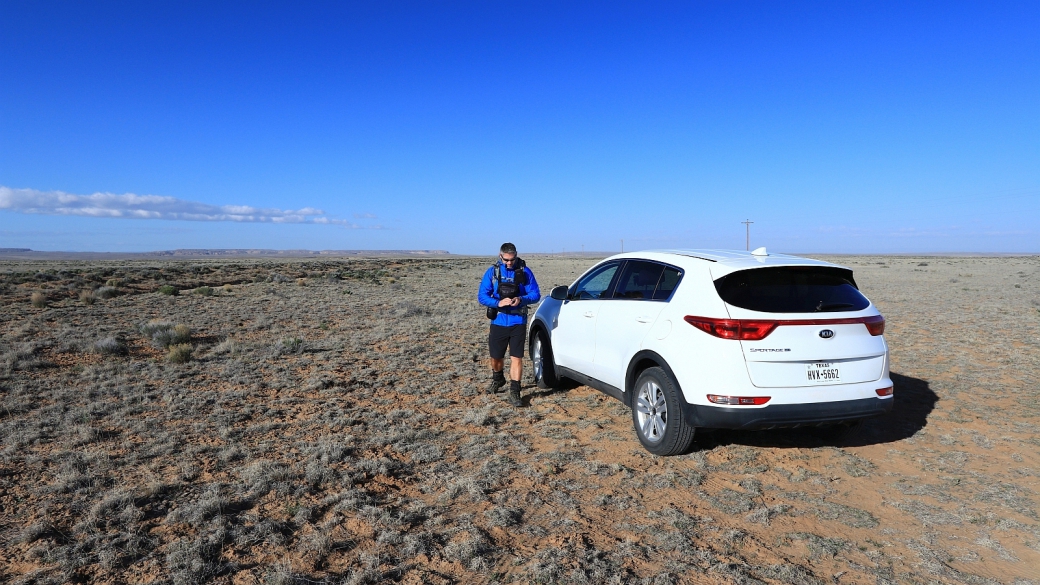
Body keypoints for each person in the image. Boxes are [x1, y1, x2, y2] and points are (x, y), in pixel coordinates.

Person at [478, 242, 540, 406]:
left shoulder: (525, 272)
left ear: (516, 255)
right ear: (500, 256)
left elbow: (535, 294)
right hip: (498, 321)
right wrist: (498, 303)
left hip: (518, 322)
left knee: (516, 358)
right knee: (496, 358)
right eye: (506, 260)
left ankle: (515, 392)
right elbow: (482, 296)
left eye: (512, 259)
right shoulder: (492, 272)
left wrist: (521, 299)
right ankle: (498, 378)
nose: (509, 263)